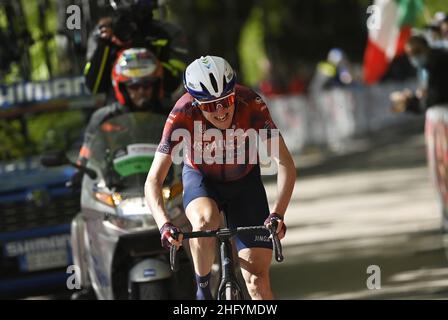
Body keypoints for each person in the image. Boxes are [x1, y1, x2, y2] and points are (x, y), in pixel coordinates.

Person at [144, 55, 297, 300]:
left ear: (234, 93)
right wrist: (164, 224)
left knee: (258, 281)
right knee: (204, 221)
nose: (221, 111)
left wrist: (278, 213)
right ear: (195, 102)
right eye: (209, 105)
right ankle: (203, 291)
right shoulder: (182, 113)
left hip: (245, 184)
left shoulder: (251, 103)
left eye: (226, 101)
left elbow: (285, 163)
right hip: (202, 181)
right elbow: (153, 179)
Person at [390, 35, 448, 231]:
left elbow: (432, 99)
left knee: (444, 169)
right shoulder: (428, 65)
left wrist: (410, 102)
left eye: (416, 53)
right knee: (439, 171)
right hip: (438, 120)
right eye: (409, 54)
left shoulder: (439, 63)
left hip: (444, 121)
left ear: (425, 48)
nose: (413, 57)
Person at [77, 47, 168, 168]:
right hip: (115, 185)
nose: (141, 91)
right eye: (134, 86)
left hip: (166, 183)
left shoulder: (172, 114)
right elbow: (89, 157)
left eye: (146, 85)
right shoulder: (103, 118)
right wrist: (80, 172)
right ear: (122, 88)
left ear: (156, 86)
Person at [84, 0, 188, 101]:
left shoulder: (170, 33)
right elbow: (94, 87)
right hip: (117, 111)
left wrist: (139, 44)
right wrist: (104, 45)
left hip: (160, 109)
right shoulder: (103, 34)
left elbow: (174, 84)